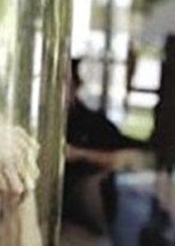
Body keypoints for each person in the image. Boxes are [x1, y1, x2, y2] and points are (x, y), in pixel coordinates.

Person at [63, 58, 150, 232]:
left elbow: (135, 155)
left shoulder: (93, 123)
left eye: (66, 83)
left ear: (75, 86)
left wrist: (79, 154)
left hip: (90, 196)